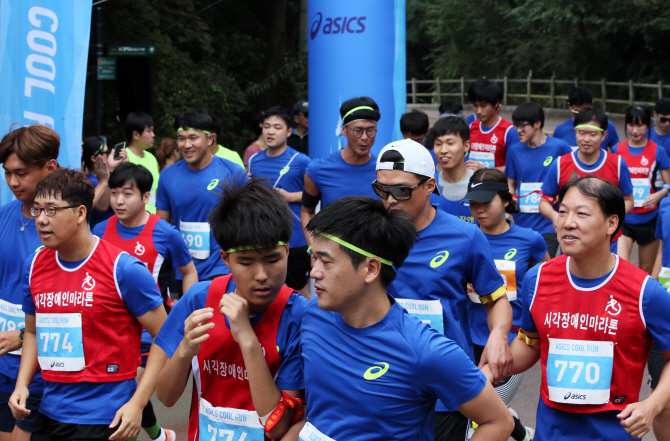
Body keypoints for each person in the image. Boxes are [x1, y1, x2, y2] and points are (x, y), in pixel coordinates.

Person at [290, 195, 513, 441]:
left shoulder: (426, 351)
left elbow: (498, 421)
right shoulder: (311, 316)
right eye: (314, 258)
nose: (314, 272)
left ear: (371, 269)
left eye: (326, 261)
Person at [497, 176, 670, 441]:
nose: (567, 222)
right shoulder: (537, 278)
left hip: (615, 435)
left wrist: (652, 405)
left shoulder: (646, 293)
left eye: (582, 213)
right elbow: (531, 344)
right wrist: (488, 370)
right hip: (550, 433)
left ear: (611, 224)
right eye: (563, 212)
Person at [9, 168, 168, 441]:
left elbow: (164, 336)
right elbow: (33, 333)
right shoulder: (34, 265)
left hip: (106, 416)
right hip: (50, 409)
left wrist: (138, 403)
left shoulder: (123, 269)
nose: (42, 220)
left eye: (52, 210)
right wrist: (22, 384)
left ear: (81, 213)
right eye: (37, 210)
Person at [373, 139, 512, 441]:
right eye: (382, 189)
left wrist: (498, 336)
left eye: (402, 190)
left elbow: (497, 300)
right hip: (381, 376)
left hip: (445, 385)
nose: (391, 200)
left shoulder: (465, 236)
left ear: (429, 186)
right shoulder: (370, 234)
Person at [153, 179, 308, 441]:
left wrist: (248, 340)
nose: (261, 275)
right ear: (225, 258)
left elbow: (279, 426)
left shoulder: (299, 316)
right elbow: (166, 398)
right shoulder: (199, 300)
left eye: (273, 259)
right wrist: (184, 351)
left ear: (287, 251)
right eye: (246, 262)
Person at [92, 163, 186, 441]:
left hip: (149, 331)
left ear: (146, 197)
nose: (119, 201)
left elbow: (188, 270)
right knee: (128, 392)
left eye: (128, 193)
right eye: (114, 193)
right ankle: (158, 436)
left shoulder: (166, 233)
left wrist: (183, 310)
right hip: (111, 330)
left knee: (128, 390)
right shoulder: (99, 230)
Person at [464, 168, 549, 441]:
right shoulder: (462, 237)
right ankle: (522, 435)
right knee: (482, 407)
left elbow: (547, 282)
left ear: (505, 199)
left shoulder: (530, 240)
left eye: (486, 203)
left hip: (512, 340)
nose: (479, 210)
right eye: (474, 204)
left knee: (481, 415)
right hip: (466, 337)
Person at [0, 125, 58, 441]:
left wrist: (22, 336)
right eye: (7, 172)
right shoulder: (3, 216)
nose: (12, 182)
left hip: (43, 374)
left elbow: (79, 308)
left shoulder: (68, 229)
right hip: (2, 370)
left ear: (49, 167)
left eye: (21, 173)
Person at [156, 110, 248, 296]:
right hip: (184, 270)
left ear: (210, 139)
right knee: (193, 323)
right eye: (181, 138)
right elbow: (162, 227)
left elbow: (249, 220)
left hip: (223, 269)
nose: (187, 145)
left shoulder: (232, 172)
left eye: (193, 138)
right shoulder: (168, 175)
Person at [539, 107, 634, 253]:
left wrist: (604, 219)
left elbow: (628, 200)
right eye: (581, 133)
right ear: (575, 132)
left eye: (593, 134)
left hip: (608, 243)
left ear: (604, 135)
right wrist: (556, 216)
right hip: (572, 242)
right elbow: (544, 202)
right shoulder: (560, 164)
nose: (586, 139)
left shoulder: (617, 164)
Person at [247, 106, 312, 297]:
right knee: (270, 291)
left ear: (289, 131)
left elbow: (316, 194)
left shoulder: (301, 161)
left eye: (277, 127)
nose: (270, 131)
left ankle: (311, 324)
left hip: (296, 238)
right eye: (267, 126)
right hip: (264, 236)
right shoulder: (253, 161)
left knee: (298, 290)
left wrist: (290, 197)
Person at [300, 96, 381, 243]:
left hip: (376, 257)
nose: (364, 137)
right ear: (344, 130)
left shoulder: (384, 169)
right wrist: (314, 249)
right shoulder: (318, 169)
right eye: (358, 131)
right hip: (333, 258)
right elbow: (307, 211)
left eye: (370, 131)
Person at [506, 102, 572, 256]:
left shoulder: (560, 147)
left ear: (537, 124)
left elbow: (572, 180)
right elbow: (510, 182)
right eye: (516, 126)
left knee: (544, 271)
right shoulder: (515, 150)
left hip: (549, 223)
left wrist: (560, 196)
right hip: (521, 223)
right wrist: (511, 201)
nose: (518, 131)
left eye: (522, 126)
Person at [613, 104, 670, 274]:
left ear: (647, 125)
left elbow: (668, 184)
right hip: (625, 219)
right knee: (621, 266)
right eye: (631, 125)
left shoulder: (657, 151)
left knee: (645, 270)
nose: (635, 130)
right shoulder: (617, 150)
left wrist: (658, 196)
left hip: (650, 219)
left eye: (640, 125)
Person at [428, 116, 476, 223]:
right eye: (438, 144)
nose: (443, 150)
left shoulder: (483, 184)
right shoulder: (427, 188)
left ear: (466, 146)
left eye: (450, 143)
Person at [467, 79, 519, 171]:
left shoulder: (509, 131)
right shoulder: (471, 127)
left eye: (483, 106)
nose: (479, 111)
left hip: (498, 184)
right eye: (475, 105)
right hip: (473, 184)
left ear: (497, 103)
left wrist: (485, 170)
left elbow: (515, 168)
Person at [650, 196, 670, 441]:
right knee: (662, 405)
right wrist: (652, 285)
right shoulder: (666, 204)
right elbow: (663, 248)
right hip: (665, 305)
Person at [552, 87, 619, 151]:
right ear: (570, 106)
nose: (581, 116)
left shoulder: (606, 125)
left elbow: (618, 151)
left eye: (585, 111)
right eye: (576, 112)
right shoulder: (560, 130)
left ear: (592, 104)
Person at [123, 112, 160, 214]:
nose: (153, 135)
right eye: (149, 131)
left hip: (153, 218)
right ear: (136, 135)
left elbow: (157, 190)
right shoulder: (124, 158)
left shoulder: (152, 157)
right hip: (135, 218)